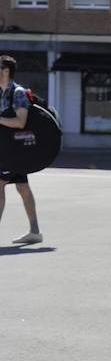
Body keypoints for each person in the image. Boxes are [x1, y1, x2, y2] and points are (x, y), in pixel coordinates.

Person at [0, 55, 42, 245]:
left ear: (5, 71)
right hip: (8, 148)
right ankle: (34, 231)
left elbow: (20, 122)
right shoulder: (2, 92)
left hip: (13, 151)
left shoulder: (17, 93)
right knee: (22, 186)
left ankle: (34, 231)